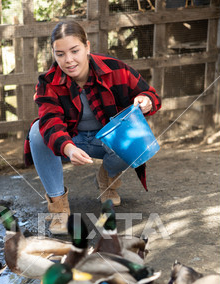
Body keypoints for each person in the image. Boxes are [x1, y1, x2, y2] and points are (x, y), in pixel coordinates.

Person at [24, 20, 161, 234]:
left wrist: (146, 100)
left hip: (106, 140)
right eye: (60, 54)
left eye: (75, 51)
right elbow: (51, 122)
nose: (68, 60)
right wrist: (68, 148)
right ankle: (58, 207)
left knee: (139, 140)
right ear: (54, 54)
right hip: (71, 142)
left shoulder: (115, 68)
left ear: (87, 47)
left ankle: (108, 176)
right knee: (37, 132)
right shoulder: (48, 82)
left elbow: (151, 94)